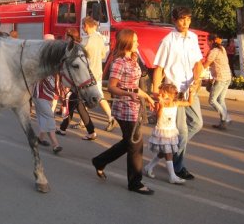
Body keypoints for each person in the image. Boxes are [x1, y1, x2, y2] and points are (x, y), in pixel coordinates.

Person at [91, 29, 155, 195]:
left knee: (129, 142)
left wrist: (147, 96)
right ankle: (135, 183)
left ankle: (99, 161)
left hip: (134, 107)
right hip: (124, 109)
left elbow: (134, 86)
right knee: (136, 144)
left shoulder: (133, 59)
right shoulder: (119, 62)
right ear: (127, 42)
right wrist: (128, 94)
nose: (138, 43)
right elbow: (111, 86)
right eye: (135, 41)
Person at [152, 6, 203, 180]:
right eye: (182, 19)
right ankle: (177, 166)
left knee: (197, 123)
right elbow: (159, 68)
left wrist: (197, 80)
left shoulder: (193, 38)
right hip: (173, 93)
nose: (186, 22)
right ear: (174, 20)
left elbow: (198, 64)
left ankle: (168, 148)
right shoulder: (168, 41)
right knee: (182, 132)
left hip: (190, 90)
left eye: (188, 19)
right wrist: (155, 92)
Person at [144, 83, 193, 184]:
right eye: (160, 94)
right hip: (162, 132)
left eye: (163, 94)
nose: (160, 96)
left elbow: (189, 103)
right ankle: (172, 176)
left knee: (163, 153)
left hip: (171, 132)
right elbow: (158, 116)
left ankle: (149, 167)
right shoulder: (159, 104)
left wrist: (191, 93)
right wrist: (161, 106)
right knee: (169, 154)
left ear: (171, 95)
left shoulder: (176, 103)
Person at [56, 28, 97, 140]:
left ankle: (63, 129)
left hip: (79, 82)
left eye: (66, 36)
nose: (65, 38)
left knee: (73, 105)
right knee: (77, 106)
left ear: (70, 37)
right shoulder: (79, 47)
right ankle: (90, 131)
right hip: (81, 80)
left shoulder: (74, 49)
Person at [82, 16, 117, 132]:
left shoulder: (86, 41)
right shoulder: (100, 38)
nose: (83, 28)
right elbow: (103, 55)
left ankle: (111, 117)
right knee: (89, 96)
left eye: (83, 26)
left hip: (89, 74)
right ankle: (83, 121)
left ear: (86, 25)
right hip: (98, 71)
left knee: (98, 96)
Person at [33, 34, 63, 154]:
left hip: (50, 93)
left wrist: (59, 91)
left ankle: (40, 138)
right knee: (49, 117)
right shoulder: (40, 58)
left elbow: (57, 77)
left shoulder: (54, 58)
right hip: (40, 93)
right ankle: (55, 144)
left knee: (43, 116)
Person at [203, 34, 232, 130]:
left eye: (208, 41)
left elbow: (206, 65)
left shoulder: (214, 51)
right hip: (227, 77)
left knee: (212, 100)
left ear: (211, 41)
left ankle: (226, 117)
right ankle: (223, 123)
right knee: (220, 100)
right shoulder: (222, 49)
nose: (207, 43)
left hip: (221, 78)